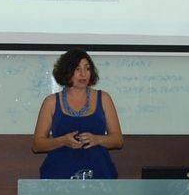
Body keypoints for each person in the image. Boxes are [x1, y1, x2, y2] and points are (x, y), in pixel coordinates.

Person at [33, 50, 123, 181]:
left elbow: (118, 140)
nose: (83, 74)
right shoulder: (51, 102)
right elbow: (37, 145)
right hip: (59, 174)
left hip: (99, 173)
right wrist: (63, 141)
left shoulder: (104, 98)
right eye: (77, 69)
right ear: (66, 71)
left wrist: (97, 139)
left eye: (87, 68)